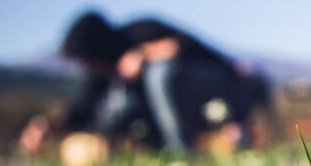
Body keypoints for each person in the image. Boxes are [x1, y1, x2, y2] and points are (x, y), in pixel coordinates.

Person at [20, 11, 271, 155]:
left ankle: (180, 150)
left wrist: (144, 54)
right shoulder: (103, 71)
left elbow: (187, 45)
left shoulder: (139, 31)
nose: (86, 67)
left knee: (157, 73)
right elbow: (82, 106)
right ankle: (157, 148)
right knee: (116, 106)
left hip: (214, 83)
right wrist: (47, 125)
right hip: (184, 107)